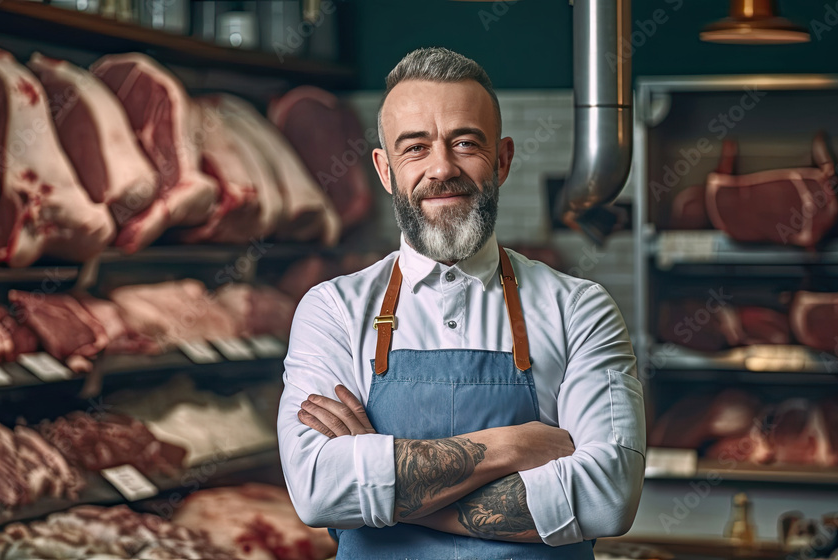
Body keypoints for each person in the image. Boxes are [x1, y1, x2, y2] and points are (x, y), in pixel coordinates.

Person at [277, 47, 646, 560]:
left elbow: (607, 499)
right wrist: (514, 447)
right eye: (415, 148)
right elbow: (317, 490)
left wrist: (380, 496)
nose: (441, 168)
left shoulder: (579, 308)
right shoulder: (333, 310)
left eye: (465, 142)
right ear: (385, 171)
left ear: (503, 159)